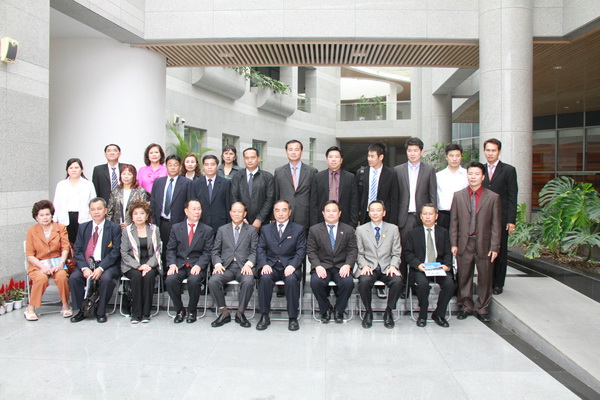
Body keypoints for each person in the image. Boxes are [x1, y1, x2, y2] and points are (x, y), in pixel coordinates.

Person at [450, 161, 502, 322]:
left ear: (483, 176)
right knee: (464, 276)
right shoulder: (458, 196)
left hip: (484, 244)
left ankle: (483, 308)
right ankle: (465, 306)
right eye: (470, 174)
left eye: (477, 174)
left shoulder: (493, 197)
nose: (473, 177)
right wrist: (454, 243)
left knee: (485, 278)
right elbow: (454, 222)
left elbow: (496, 224)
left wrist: (495, 246)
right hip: (464, 243)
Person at [394, 137, 437, 292]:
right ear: (406, 152)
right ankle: (403, 286)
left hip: (422, 218)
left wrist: (433, 216)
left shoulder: (429, 170)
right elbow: (395, 196)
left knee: (420, 252)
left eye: (415, 151)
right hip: (403, 217)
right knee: (403, 253)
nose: (412, 153)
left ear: (421, 152)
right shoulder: (398, 170)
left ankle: (417, 286)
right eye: (410, 150)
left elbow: (433, 195)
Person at [256, 200, 306, 331]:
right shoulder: (266, 229)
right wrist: (264, 264)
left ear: (289, 212)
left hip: (290, 266)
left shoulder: (298, 229)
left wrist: (293, 265)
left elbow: (301, 250)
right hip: (271, 265)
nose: (280, 213)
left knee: (291, 280)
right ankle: (264, 315)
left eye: (284, 210)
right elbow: (260, 249)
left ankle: (293, 317)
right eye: (277, 210)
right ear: (273, 212)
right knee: (265, 278)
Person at [69, 197, 122, 323]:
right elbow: (78, 250)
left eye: (99, 209)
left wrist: (101, 268)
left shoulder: (114, 228)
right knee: (74, 278)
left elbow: (115, 251)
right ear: (89, 212)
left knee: (106, 279)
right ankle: (81, 310)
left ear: (105, 210)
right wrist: (84, 268)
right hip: (87, 264)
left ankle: (100, 311)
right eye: (93, 209)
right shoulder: (83, 227)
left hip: (107, 265)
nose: (96, 212)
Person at [404, 204, 456, 328]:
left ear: (436, 216)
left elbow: (448, 252)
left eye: (430, 214)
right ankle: (422, 315)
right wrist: (418, 265)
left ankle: (439, 314)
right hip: (421, 268)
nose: (428, 217)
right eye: (425, 214)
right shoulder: (412, 233)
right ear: (421, 216)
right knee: (423, 285)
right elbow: (408, 253)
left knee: (450, 284)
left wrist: (447, 266)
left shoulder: (443, 232)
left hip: (439, 268)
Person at [209, 202, 259, 328]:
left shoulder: (251, 230)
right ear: (230, 213)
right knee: (213, 281)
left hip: (244, 267)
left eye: (240, 211)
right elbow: (215, 251)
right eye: (234, 211)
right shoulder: (222, 230)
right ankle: (224, 312)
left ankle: (240, 313)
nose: (237, 214)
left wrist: (249, 264)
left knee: (248, 281)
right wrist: (218, 264)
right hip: (226, 267)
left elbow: (255, 251)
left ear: (245, 214)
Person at [354, 200, 403, 329]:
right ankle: (368, 311)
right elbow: (358, 253)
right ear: (369, 213)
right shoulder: (361, 230)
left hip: (387, 266)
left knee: (397, 281)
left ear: (384, 213)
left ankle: (389, 311)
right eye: (372, 210)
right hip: (369, 266)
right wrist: (364, 265)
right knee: (364, 281)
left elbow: (396, 252)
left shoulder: (393, 229)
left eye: (378, 210)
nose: (375, 213)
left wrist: (393, 266)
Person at [165, 199, 214, 324]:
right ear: (186, 211)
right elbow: (171, 249)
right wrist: (172, 264)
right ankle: (179, 310)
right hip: (180, 264)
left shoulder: (207, 230)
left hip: (196, 265)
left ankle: (192, 310)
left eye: (199, 209)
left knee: (194, 280)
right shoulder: (176, 228)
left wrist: (199, 265)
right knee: (170, 280)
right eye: (194, 209)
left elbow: (208, 252)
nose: (197, 212)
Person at [308, 200, 357, 323]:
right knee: (316, 282)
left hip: (341, 266)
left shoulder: (348, 230)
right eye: (328, 211)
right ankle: (325, 309)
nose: (331, 213)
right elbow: (311, 251)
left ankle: (339, 310)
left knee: (348, 282)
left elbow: (352, 250)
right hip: (323, 266)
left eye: (334, 211)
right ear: (323, 213)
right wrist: (317, 266)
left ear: (339, 213)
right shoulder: (314, 230)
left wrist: (348, 265)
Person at [24, 200, 72, 321]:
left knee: (61, 276)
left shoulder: (60, 228)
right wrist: (43, 267)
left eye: (47, 214)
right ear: (36, 217)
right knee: (41, 278)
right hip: (38, 264)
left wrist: (61, 263)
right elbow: (30, 255)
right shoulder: (31, 231)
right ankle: (30, 308)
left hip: (57, 263)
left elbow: (65, 248)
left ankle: (65, 305)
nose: (45, 217)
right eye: (41, 215)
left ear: (51, 215)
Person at [482, 138, 518, 295]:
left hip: (501, 218)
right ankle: (487, 281)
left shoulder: (508, 170)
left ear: (499, 151)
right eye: (488, 150)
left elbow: (512, 196)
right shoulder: (480, 170)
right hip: (483, 219)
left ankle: (498, 284)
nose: (490, 153)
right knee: (485, 251)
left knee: (500, 251)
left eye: (493, 150)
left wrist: (511, 220)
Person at [120, 200, 162, 323]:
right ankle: (136, 313)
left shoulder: (154, 229)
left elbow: (158, 251)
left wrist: (148, 265)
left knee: (148, 277)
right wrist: (138, 266)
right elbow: (124, 253)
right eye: (135, 213)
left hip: (150, 263)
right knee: (137, 277)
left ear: (147, 215)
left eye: (142, 213)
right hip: (132, 264)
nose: (139, 216)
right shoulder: (127, 231)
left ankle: (146, 313)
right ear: (131, 216)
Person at [150, 155, 192, 268]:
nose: (172, 167)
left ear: (180, 167)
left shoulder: (187, 183)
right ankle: (163, 273)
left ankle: (174, 271)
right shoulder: (158, 182)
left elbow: (189, 204)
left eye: (175, 165)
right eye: (170, 165)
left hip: (178, 223)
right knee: (162, 250)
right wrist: (153, 221)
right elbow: (153, 203)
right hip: (161, 222)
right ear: (166, 166)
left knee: (176, 250)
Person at [273, 139, 318, 232]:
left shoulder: (312, 171)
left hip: (304, 217)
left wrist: (314, 221)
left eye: (296, 149)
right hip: (284, 216)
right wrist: (273, 217)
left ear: (301, 151)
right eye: (290, 149)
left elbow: (314, 198)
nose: (293, 152)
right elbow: (276, 195)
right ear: (286, 151)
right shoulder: (279, 171)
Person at [310, 146, 358, 228]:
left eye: (336, 157)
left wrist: (353, 224)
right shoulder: (318, 177)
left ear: (341, 160)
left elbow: (354, 203)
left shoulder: (350, 177)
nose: (333, 159)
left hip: (345, 221)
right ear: (326, 159)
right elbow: (314, 203)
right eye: (331, 157)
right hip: (321, 221)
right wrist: (314, 224)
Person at [53, 158, 97, 244]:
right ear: (67, 170)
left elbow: (94, 202)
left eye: (76, 167)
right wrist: (54, 220)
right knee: (67, 243)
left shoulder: (88, 184)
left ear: (81, 169)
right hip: (65, 218)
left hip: (84, 218)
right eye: (71, 168)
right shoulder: (61, 184)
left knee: (83, 243)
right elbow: (56, 203)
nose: (74, 170)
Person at [355, 142, 399, 226]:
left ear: (381, 157)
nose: (369, 159)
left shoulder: (391, 174)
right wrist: (357, 218)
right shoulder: (362, 173)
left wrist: (393, 221)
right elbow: (357, 197)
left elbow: (394, 199)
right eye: (368, 156)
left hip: (384, 216)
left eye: (372, 156)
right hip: (366, 214)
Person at [230, 147, 274, 229]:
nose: (250, 160)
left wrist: (260, 219)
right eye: (247, 158)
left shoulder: (267, 177)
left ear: (258, 158)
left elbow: (270, 199)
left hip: (263, 223)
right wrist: (242, 218)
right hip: (241, 221)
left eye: (253, 157)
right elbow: (234, 197)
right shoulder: (237, 176)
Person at [190, 155, 231, 233]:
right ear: (203, 166)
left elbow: (228, 204)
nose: (209, 167)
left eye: (212, 164)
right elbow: (193, 204)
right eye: (206, 164)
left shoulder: (226, 183)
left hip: (221, 223)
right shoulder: (195, 184)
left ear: (217, 166)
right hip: (201, 222)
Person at [436, 144, 468, 230]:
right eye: (451, 156)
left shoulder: (467, 174)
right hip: (443, 215)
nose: (454, 159)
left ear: (461, 157)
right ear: (446, 157)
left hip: (462, 214)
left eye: (457, 156)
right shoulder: (438, 176)